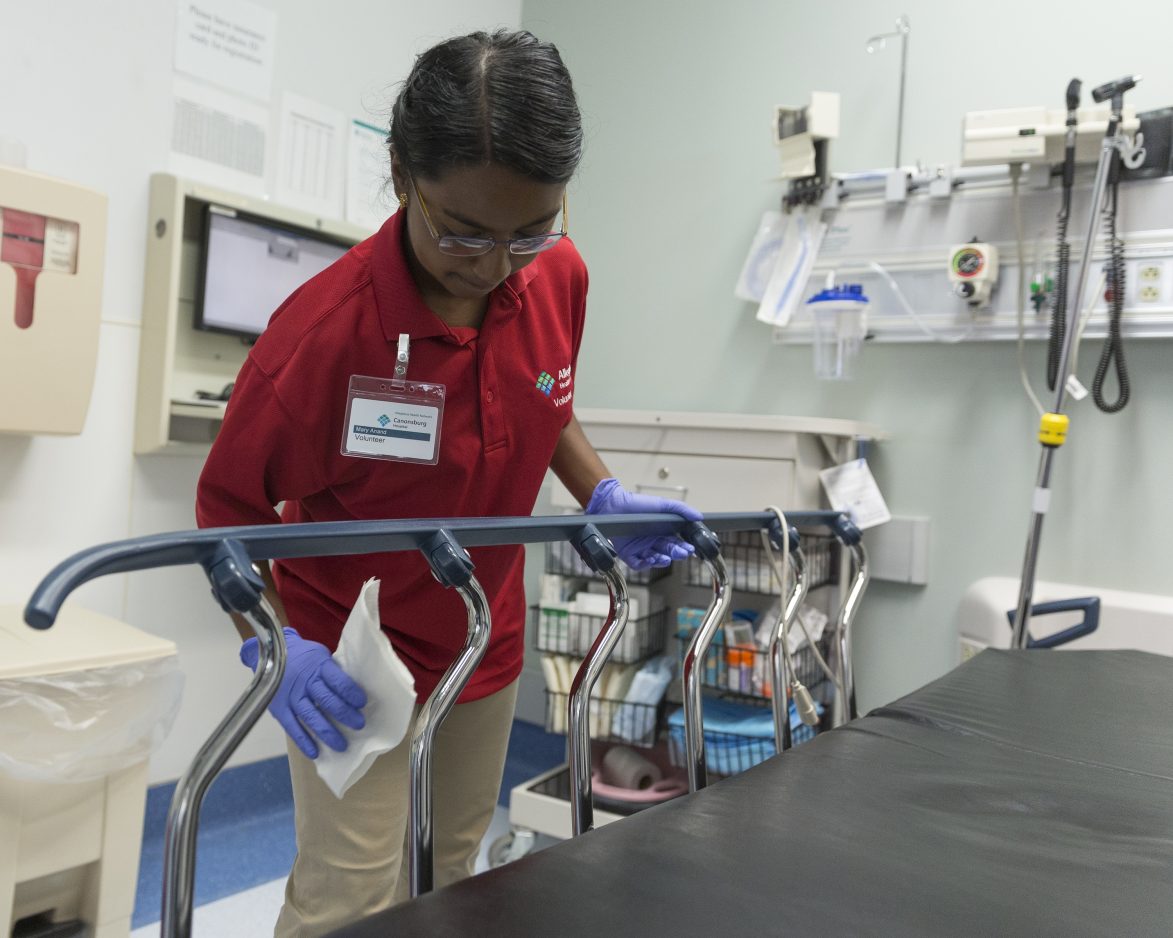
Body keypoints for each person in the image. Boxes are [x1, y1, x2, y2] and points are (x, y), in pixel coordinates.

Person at [195, 28, 700, 937]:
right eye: (463, 233)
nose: (496, 265)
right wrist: (278, 647)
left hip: (481, 636)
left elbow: (543, 397)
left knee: (454, 875)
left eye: (528, 232)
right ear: (400, 175)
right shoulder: (322, 337)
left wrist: (601, 492)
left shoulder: (559, 276)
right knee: (350, 897)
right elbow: (225, 511)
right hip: (349, 664)